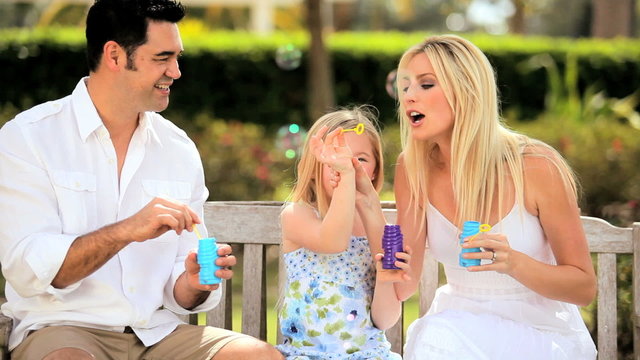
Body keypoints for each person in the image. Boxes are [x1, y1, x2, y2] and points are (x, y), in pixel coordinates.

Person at [0, 0, 283, 359]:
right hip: (63, 328)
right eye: (162, 58)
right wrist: (127, 230)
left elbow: (181, 288)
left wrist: (194, 282)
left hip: (157, 333)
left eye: (177, 58)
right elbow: (28, 267)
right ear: (115, 56)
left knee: (259, 356)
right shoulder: (29, 137)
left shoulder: (178, 148)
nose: (176, 72)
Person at [393, 34, 597, 359]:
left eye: (426, 84)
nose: (409, 97)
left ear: (466, 90)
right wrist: (360, 201)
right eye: (406, 86)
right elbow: (402, 284)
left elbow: (584, 288)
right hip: (457, 327)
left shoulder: (535, 165)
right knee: (437, 341)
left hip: (539, 332)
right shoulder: (412, 168)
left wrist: (512, 262)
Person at [276, 106, 411, 359]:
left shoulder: (375, 226)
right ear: (314, 164)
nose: (346, 164)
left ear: (374, 170)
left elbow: (386, 319)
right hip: (308, 354)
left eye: (359, 159)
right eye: (334, 156)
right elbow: (333, 241)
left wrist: (385, 277)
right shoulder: (297, 215)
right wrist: (348, 178)